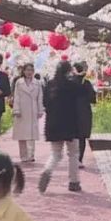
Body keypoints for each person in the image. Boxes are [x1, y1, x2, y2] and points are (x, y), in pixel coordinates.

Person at [38, 61, 82, 193]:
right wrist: (77, 76)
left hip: (53, 124)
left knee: (56, 154)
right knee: (73, 154)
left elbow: (45, 102)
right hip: (70, 124)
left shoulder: (50, 85)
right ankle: (74, 182)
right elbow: (81, 96)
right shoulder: (73, 85)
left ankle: (47, 170)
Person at [10, 63, 44, 163]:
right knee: (22, 134)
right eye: (27, 70)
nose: (29, 72)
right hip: (21, 110)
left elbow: (40, 97)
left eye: (31, 70)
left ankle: (31, 154)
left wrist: (40, 109)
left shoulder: (37, 83)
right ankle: (23, 155)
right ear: (23, 71)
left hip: (32, 110)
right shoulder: (19, 83)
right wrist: (16, 110)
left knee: (31, 134)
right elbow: (16, 97)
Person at [72, 61, 96, 168]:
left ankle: (73, 158)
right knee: (81, 137)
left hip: (71, 111)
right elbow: (93, 99)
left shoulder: (69, 82)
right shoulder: (86, 83)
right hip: (84, 112)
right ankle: (79, 159)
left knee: (72, 137)